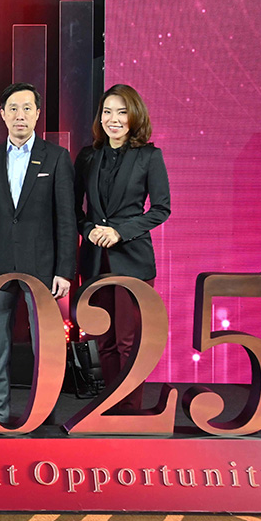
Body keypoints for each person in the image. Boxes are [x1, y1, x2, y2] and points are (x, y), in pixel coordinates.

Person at [0, 82, 76, 425]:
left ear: (38, 113)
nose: (20, 115)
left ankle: (44, 414)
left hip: (42, 266)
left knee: (44, 345)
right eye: (13, 108)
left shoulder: (57, 157)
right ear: (2, 115)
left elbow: (66, 218)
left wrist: (64, 269)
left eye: (27, 108)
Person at [74, 83, 170, 412]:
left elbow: (161, 209)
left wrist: (119, 232)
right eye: (107, 112)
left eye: (121, 112)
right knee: (103, 338)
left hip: (132, 260)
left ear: (134, 116)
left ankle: (130, 409)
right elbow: (74, 209)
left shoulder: (149, 156)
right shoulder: (88, 156)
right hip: (95, 260)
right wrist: (89, 230)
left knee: (129, 340)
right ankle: (110, 406)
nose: (113, 119)